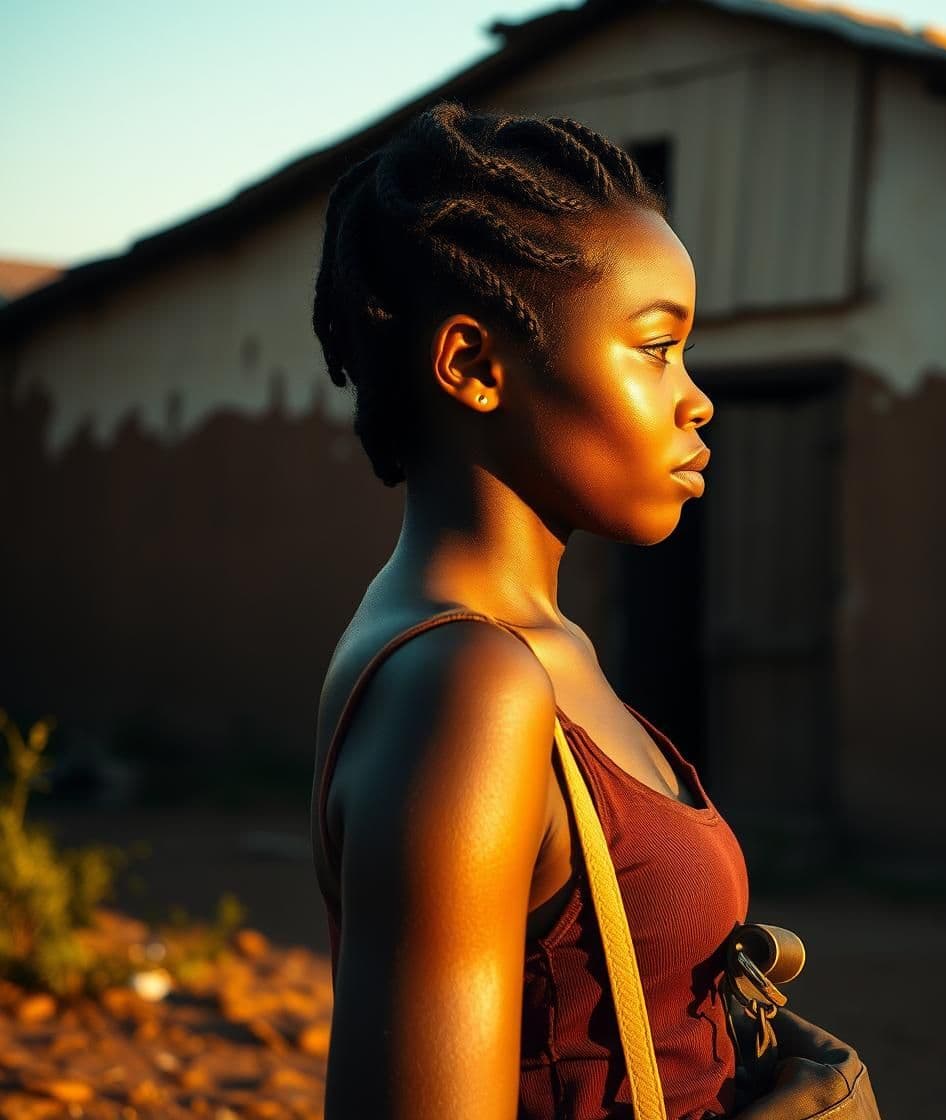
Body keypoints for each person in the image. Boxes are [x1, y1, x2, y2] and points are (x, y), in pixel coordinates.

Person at [308, 99, 748, 1119]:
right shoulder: (465, 685)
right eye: (655, 347)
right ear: (473, 365)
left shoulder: (536, 650)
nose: (696, 399)